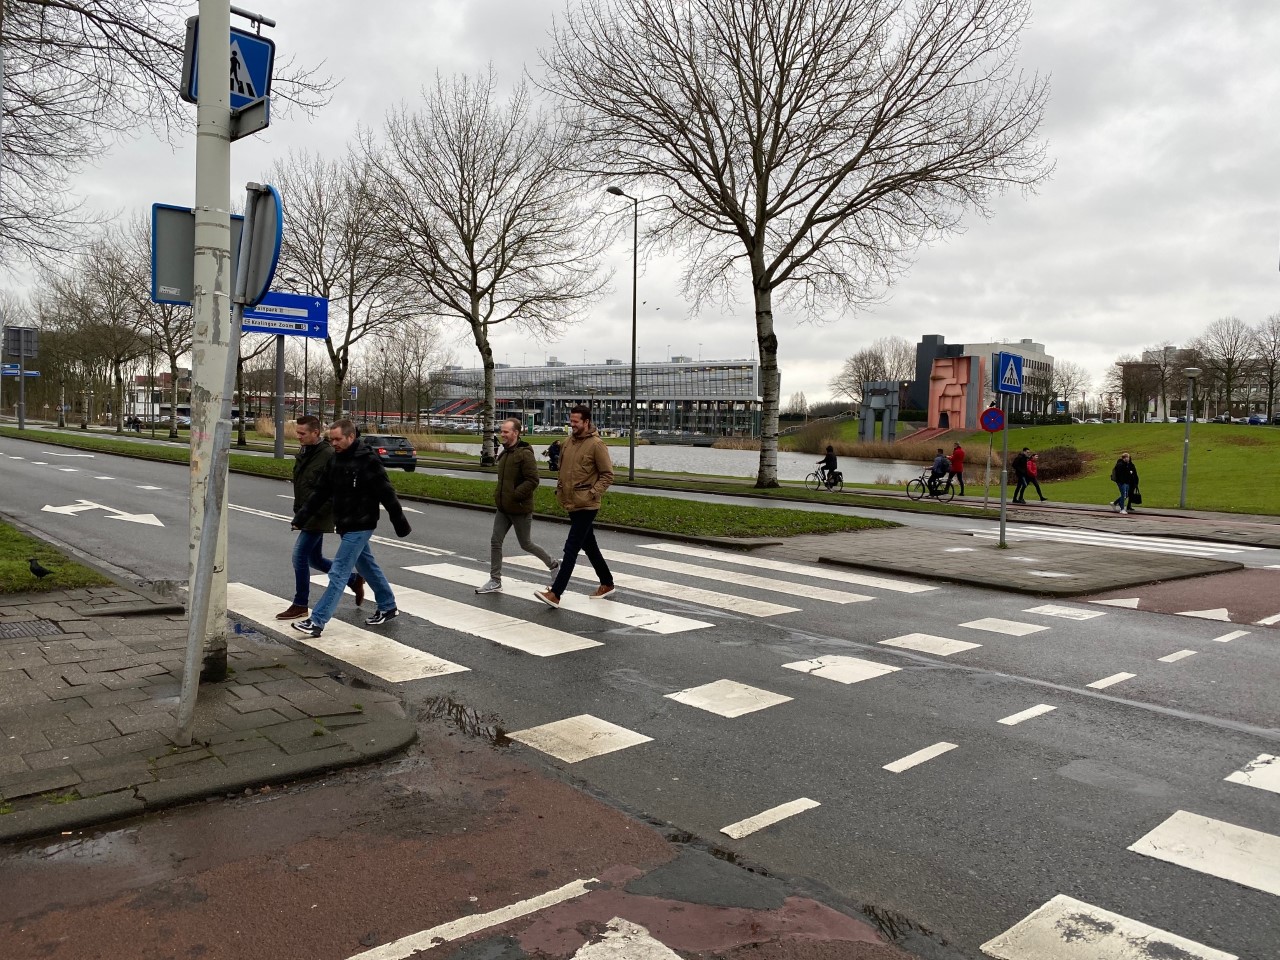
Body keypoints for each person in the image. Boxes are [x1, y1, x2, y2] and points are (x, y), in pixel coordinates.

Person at [289, 419, 412, 638]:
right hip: (344, 524)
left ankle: (316, 621)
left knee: (338, 572)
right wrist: (302, 517)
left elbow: (387, 493)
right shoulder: (335, 459)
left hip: (362, 524)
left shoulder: (368, 460)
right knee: (367, 566)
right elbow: (321, 492)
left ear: (351, 437)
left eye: (338, 439)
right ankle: (388, 605)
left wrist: (399, 521)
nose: (333, 443)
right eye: (331, 439)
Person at [275, 416, 365, 621]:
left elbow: (333, 490)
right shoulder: (306, 451)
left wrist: (313, 513)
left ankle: (300, 604)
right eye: (298, 433)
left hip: (318, 514)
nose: (298, 437)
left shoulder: (327, 455)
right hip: (306, 512)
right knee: (314, 559)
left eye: (302, 433)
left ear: (315, 433)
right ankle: (353, 580)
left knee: (299, 556)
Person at [535, 406, 615, 607]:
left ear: (586, 422)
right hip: (571, 502)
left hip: (587, 504)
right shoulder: (568, 442)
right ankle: (607, 583)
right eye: (571, 421)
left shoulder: (597, 445)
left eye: (576, 422)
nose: (572, 425)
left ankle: (556, 593)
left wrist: (593, 492)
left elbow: (607, 475)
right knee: (589, 546)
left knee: (571, 548)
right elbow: (563, 469)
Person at [475, 418, 559, 594]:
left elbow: (533, 480)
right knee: (495, 541)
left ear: (516, 433)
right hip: (503, 508)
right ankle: (495, 580)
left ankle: (553, 565)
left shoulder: (525, 454)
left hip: (520, 508)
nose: (502, 434)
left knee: (526, 544)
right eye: (501, 431)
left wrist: (515, 495)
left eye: (506, 432)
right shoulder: (505, 453)